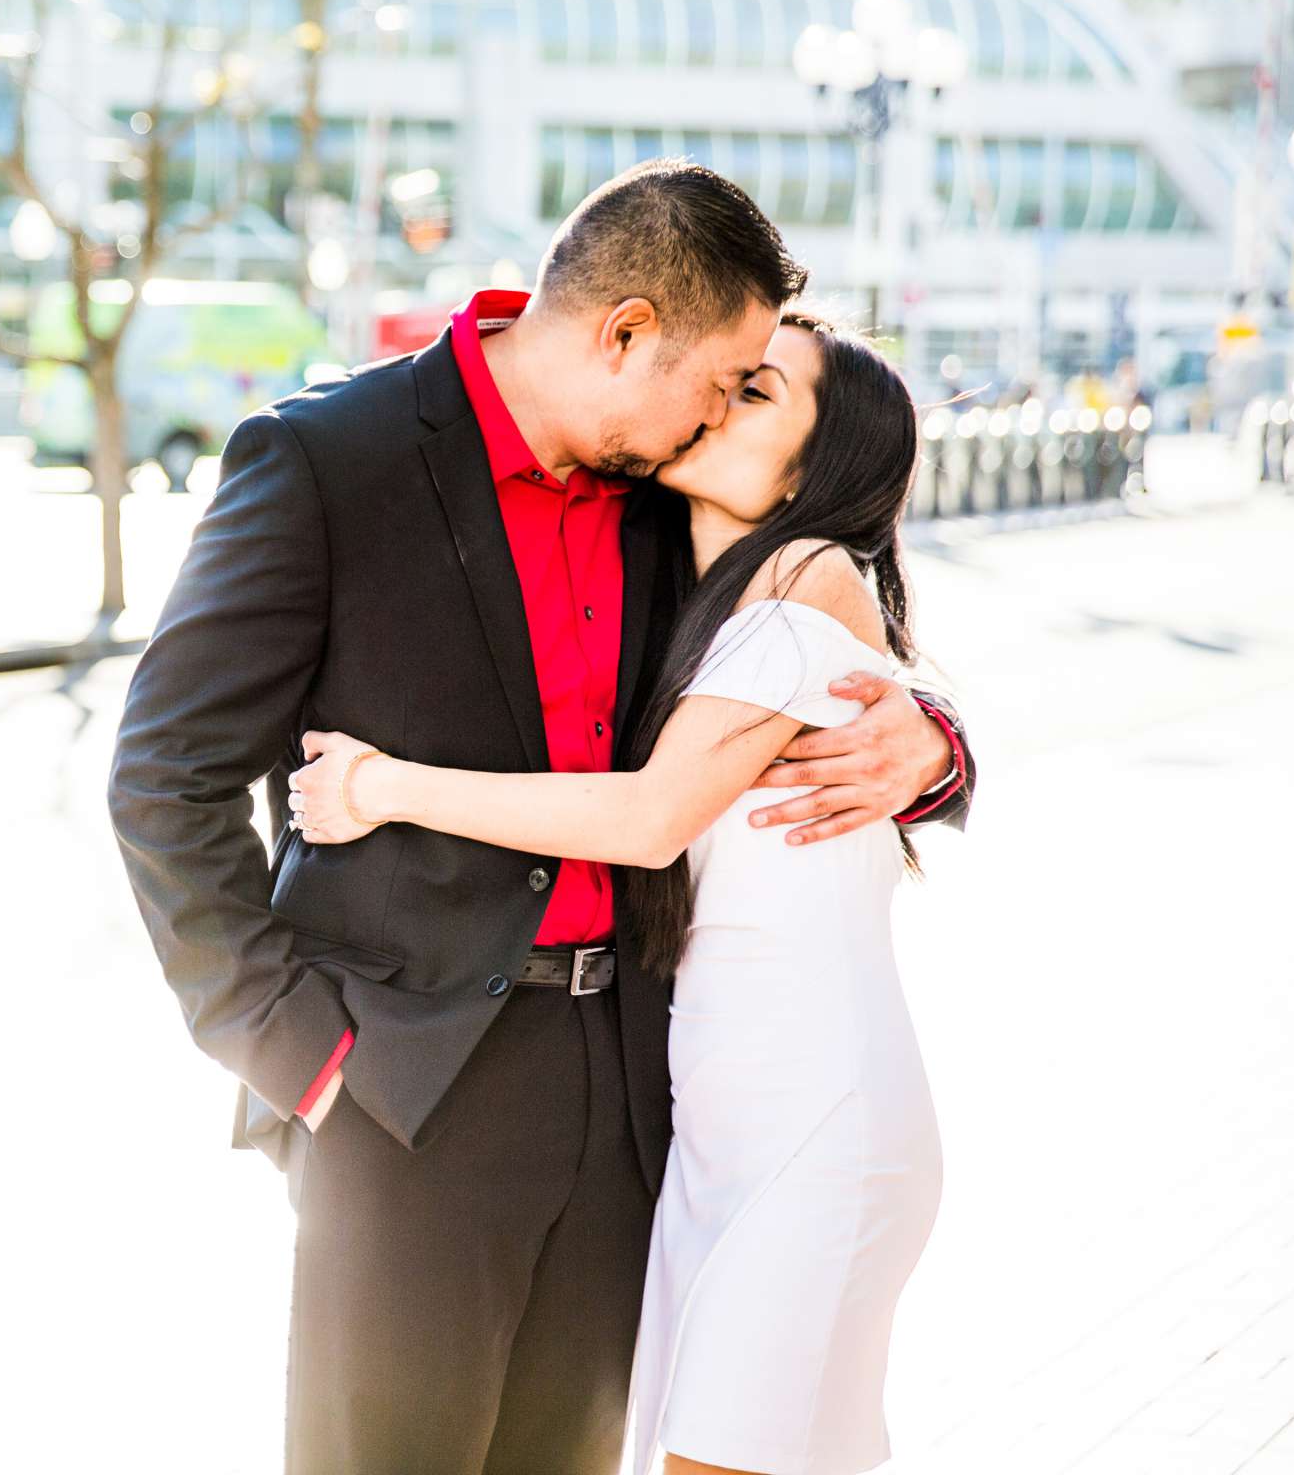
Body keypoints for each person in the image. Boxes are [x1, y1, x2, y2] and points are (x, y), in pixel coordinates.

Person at [105, 158, 974, 1475]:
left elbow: (803, 656)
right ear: (627, 334)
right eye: (725, 379)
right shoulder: (329, 462)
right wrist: (300, 1054)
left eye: (753, 390)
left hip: (626, 1089)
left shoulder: (665, 495)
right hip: (404, 1090)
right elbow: (165, 774)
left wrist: (938, 747)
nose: (723, 412)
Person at [292, 314, 946, 1475]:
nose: (716, 399)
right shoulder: (700, 591)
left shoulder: (809, 574)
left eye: (757, 394)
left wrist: (382, 785)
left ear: (822, 464)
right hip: (717, 1129)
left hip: (812, 1120)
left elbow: (646, 817)